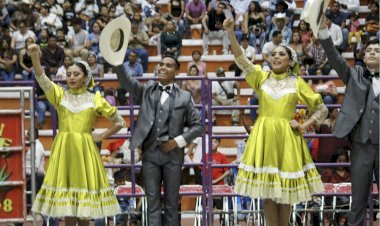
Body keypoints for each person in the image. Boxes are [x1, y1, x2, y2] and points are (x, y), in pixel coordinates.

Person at [223, 17, 327, 226]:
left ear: (290, 61)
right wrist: (230, 32)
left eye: (282, 54)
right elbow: (241, 58)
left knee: (286, 193)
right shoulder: (261, 76)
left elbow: (321, 108)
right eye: (274, 54)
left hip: (288, 138)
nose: (277, 56)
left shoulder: (297, 82)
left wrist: (304, 126)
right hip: (264, 136)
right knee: (268, 193)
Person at [28, 43, 125, 226]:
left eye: (76, 74)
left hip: (85, 151)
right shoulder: (60, 95)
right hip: (64, 149)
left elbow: (120, 121)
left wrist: (102, 135)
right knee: (68, 207)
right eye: (69, 74)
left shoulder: (94, 98)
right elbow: (42, 78)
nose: (71, 77)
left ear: (85, 77)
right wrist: (35, 57)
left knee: (84, 206)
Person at [114, 54, 203, 226]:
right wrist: (118, 65)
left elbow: (198, 126)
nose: (162, 67)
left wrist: (177, 142)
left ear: (176, 72)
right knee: (152, 203)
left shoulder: (185, 96)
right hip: (150, 155)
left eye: (168, 65)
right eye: (161, 64)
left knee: (172, 204)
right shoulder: (146, 90)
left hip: (174, 156)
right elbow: (127, 82)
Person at [318, 14, 379, 226]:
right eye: (369, 50)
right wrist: (324, 33)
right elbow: (335, 57)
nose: (372, 52)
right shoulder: (355, 75)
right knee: (358, 201)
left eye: (377, 50)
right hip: (361, 145)